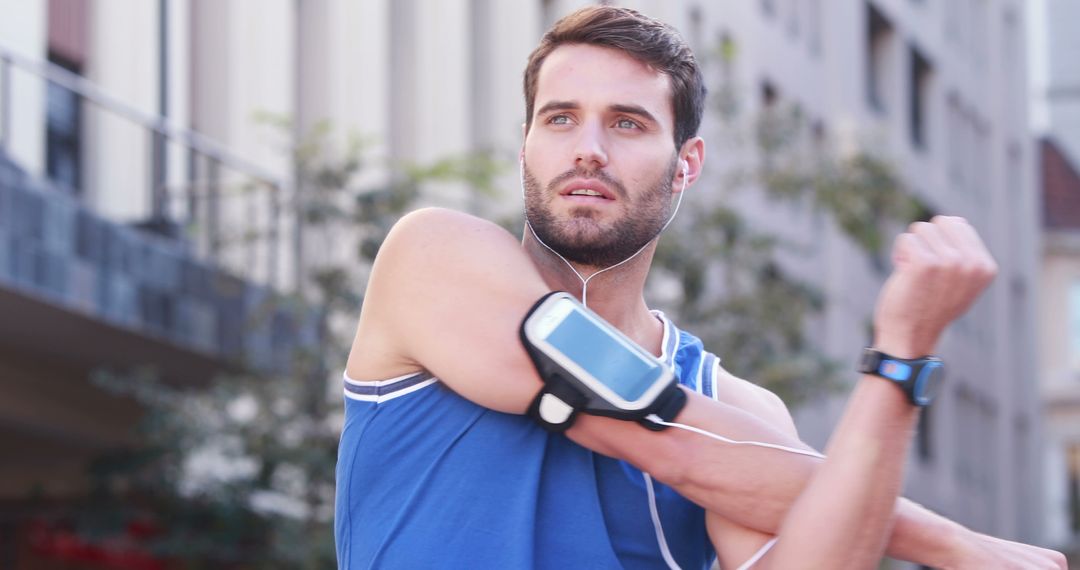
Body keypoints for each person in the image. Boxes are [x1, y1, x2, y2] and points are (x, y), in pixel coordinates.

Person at [334, 6, 1066, 569]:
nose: (588, 146)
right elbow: (648, 422)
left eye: (627, 122)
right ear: (526, 142)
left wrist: (901, 359)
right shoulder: (431, 259)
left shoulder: (740, 409)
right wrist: (955, 544)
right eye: (560, 119)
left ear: (687, 163)